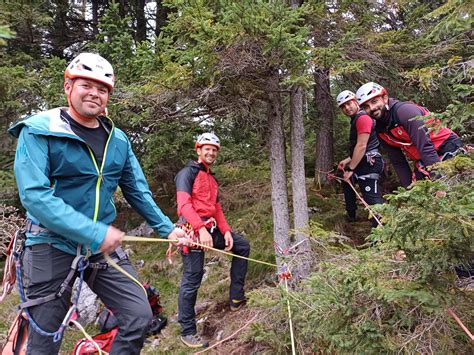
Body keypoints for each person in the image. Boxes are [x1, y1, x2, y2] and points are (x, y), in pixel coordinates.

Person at [8, 52, 188, 355]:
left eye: (102, 89)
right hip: (49, 243)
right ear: (68, 86)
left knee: (139, 316)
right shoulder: (39, 130)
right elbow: (35, 196)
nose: (94, 93)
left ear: (109, 96)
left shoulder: (117, 140)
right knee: (45, 341)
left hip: (99, 248)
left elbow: (137, 190)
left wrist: (167, 229)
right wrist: (93, 232)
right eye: (86, 85)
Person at [175, 133, 251, 348]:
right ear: (198, 150)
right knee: (193, 277)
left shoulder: (211, 178)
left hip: (210, 228)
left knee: (242, 245)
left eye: (214, 149)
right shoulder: (186, 173)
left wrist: (226, 231)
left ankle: (236, 298)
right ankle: (187, 331)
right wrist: (200, 230)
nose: (210, 152)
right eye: (206, 148)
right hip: (191, 230)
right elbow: (184, 205)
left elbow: (216, 207)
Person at [355, 82, 463, 187]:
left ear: (385, 98)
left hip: (447, 148)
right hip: (424, 159)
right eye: (366, 107)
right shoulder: (380, 130)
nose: (372, 108)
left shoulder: (405, 111)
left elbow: (425, 147)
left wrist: (439, 184)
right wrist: (408, 191)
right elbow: (398, 162)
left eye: (374, 102)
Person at [336, 90, 385, 226]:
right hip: (364, 161)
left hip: (370, 163)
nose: (347, 108)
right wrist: (346, 161)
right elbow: (362, 147)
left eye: (349, 103)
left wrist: (350, 169)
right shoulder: (357, 119)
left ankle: (381, 234)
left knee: (372, 201)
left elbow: (362, 146)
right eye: (343, 106)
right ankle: (351, 215)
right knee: (347, 182)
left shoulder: (362, 118)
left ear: (356, 101)